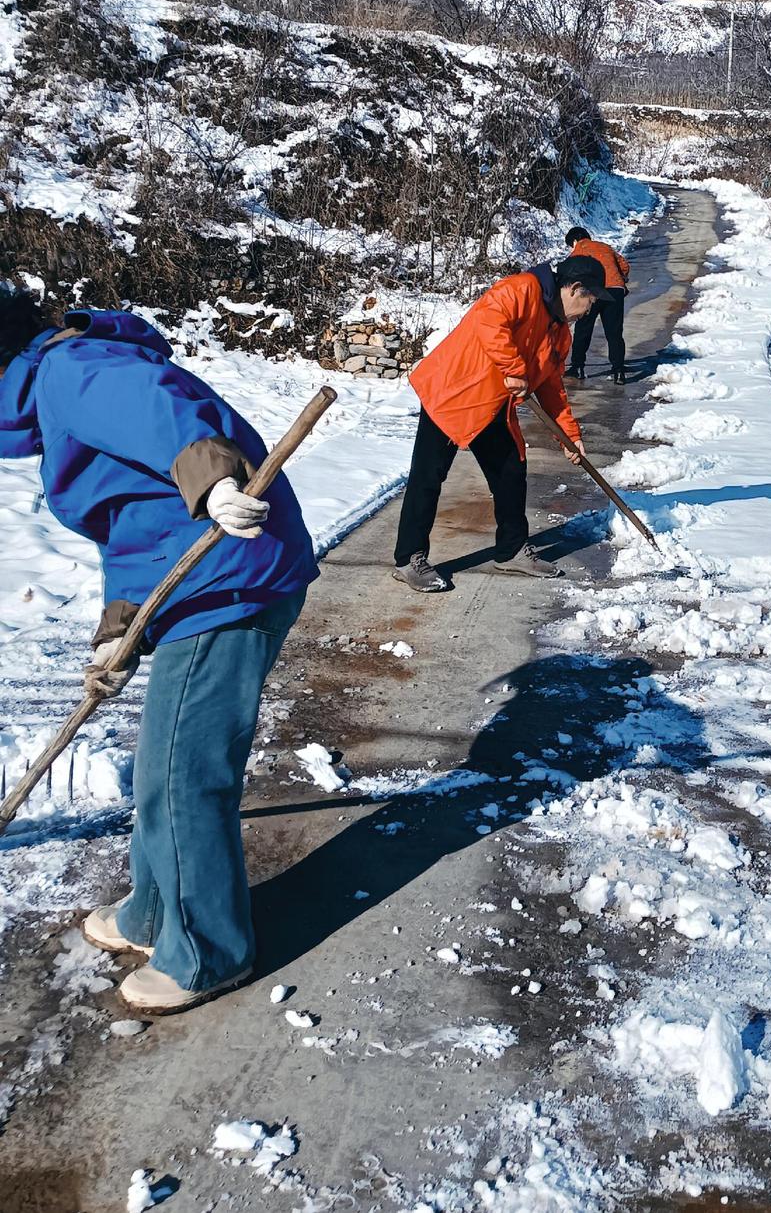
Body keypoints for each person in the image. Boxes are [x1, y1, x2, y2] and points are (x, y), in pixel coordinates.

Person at [0, 284, 319, 1014]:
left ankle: (206, 950)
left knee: (184, 772)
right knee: (161, 764)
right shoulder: (61, 381)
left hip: (228, 579)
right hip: (201, 577)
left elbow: (167, 415)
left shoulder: (70, 371)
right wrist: (119, 629)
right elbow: (137, 526)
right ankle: (152, 910)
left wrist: (211, 482)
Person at [393, 253, 617, 592]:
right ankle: (409, 559)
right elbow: (488, 320)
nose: (590, 311)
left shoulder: (560, 335)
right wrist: (514, 369)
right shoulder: (522, 289)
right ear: (573, 289)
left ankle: (511, 550)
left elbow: (552, 388)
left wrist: (570, 437)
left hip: (492, 404)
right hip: (452, 393)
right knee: (428, 477)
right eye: (591, 299)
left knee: (511, 472)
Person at [563, 227, 630, 384]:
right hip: (615, 291)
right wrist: (620, 279)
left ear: (574, 241)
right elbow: (624, 265)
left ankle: (577, 367)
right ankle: (618, 371)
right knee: (614, 332)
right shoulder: (605, 247)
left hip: (592, 292)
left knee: (583, 330)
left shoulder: (578, 250)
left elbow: (568, 275)